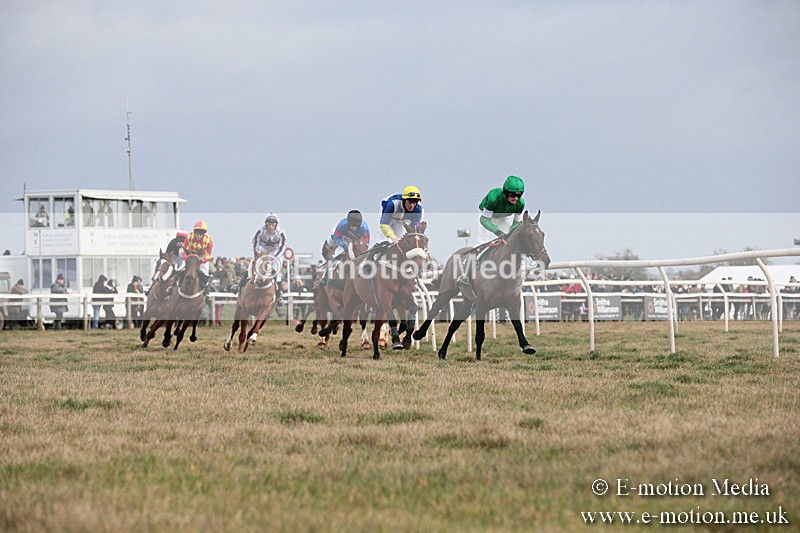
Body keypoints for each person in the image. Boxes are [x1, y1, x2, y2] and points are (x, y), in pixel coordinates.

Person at [477, 175, 527, 244]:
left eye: (519, 195)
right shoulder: (493, 199)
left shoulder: (520, 204)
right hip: (486, 217)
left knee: (510, 240)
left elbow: (516, 223)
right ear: (506, 192)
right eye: (512, 194)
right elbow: (484, 220)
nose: (516, 198)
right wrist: (498, 232)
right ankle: (476, 252)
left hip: (502, 218)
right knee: (482, 243)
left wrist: (511, 232)